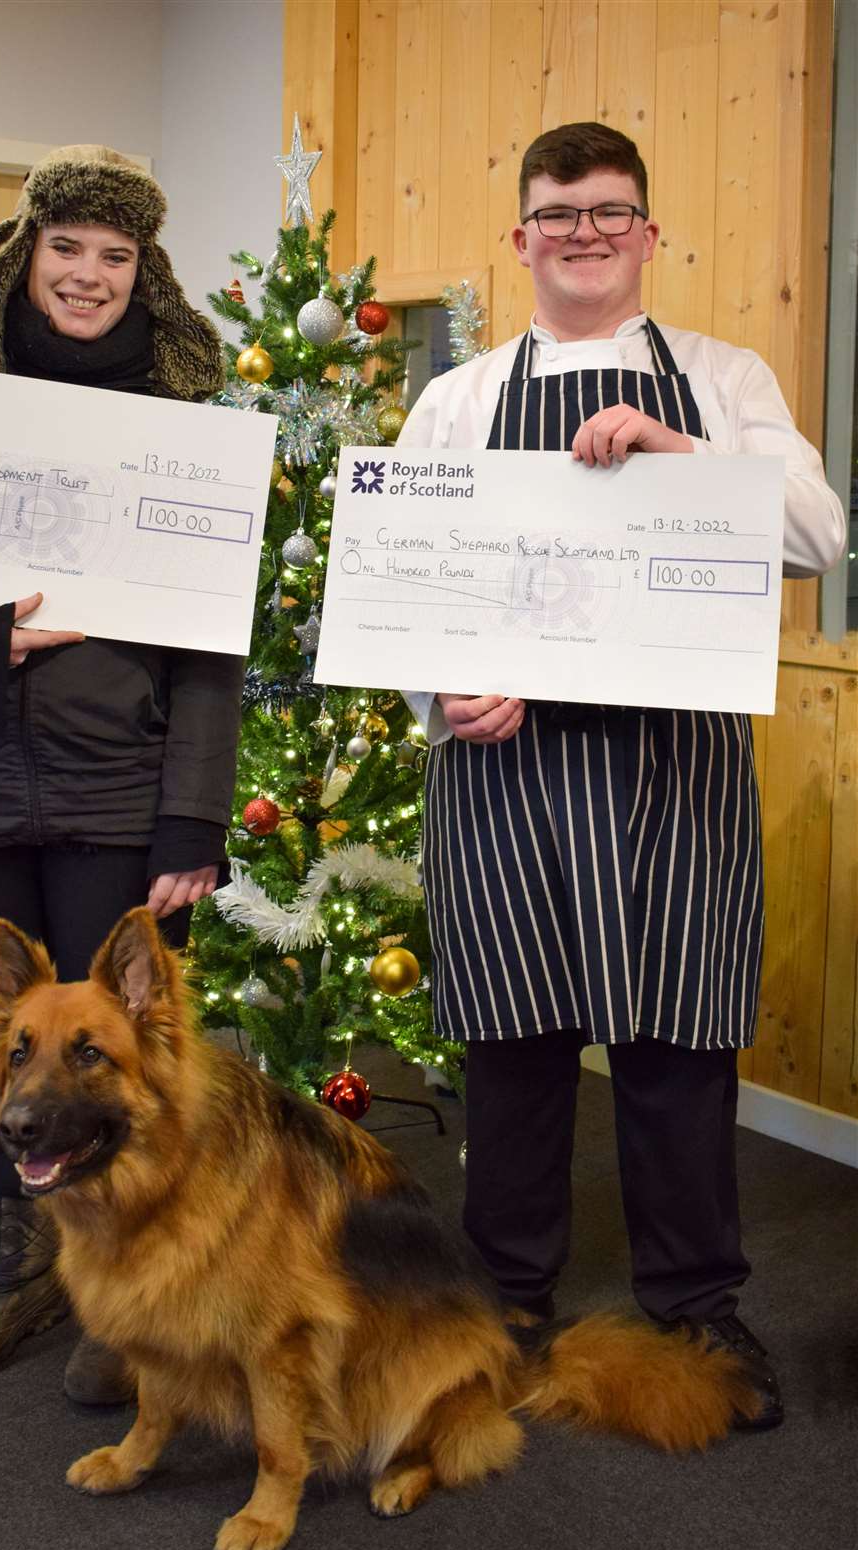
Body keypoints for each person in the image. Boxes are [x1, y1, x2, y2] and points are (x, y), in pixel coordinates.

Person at [400, 122, 845, 1430]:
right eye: (559, 212)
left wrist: (679, 454)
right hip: (502, 769)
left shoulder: (724, 379)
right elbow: (400, 580)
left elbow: (821, 530)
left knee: (677, 1053)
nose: (584, 232)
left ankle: (699, 1304)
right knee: (515, 1052)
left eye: (610, 211)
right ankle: (506, 1300)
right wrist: (439, 692)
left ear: (650, 232)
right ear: (522, 236)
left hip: (674, 770)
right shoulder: (458, 399)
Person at [0, 145, 240, 1403]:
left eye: (115, 256)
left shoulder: (187, 428)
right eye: (67, 248)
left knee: (115, 1056)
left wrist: (191, 815)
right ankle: (17, 1272)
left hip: (115, 798)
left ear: (145, 275)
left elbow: (211, 653)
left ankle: (124, 1298)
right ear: (27, 258)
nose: (88, 275)